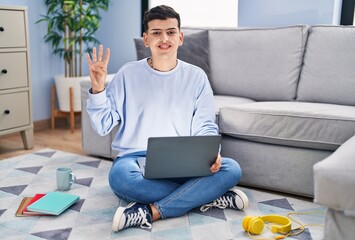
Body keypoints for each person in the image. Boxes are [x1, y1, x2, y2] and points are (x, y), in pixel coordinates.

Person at [86, 5, 249, 232]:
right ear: (146, 39)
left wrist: (213, 154)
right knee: (120, 180)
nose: (164, 38)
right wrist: (98, 88)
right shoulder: (127, 74)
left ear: (180, 37)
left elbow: (204, 125)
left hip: (183, 161)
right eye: (156, 32)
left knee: (231, 169)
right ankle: (208, 195)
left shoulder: (196, 77)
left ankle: (151, 211)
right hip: (133, 161)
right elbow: (103, 125)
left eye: (171, 32)